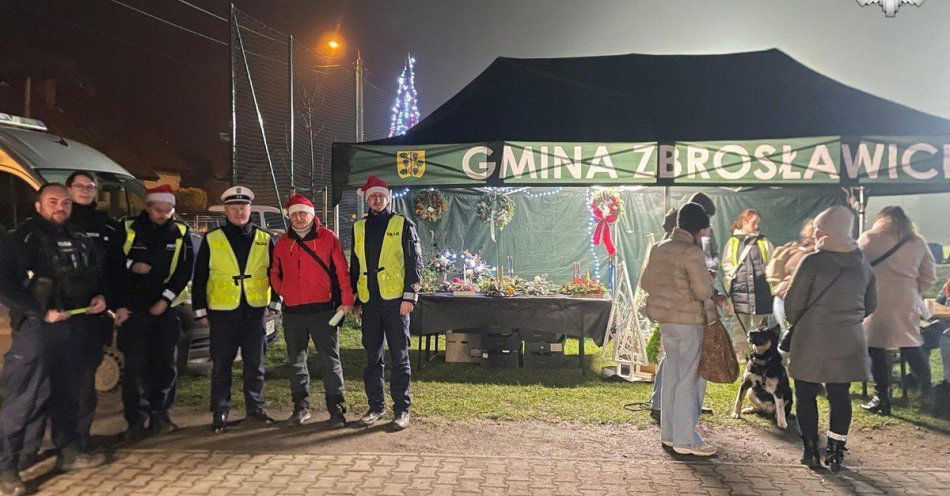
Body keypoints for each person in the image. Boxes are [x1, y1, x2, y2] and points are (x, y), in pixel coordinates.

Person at [0, 184, 108, 494]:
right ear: (38, 206)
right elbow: (6, 283)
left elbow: (92, 277)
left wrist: (99, 297)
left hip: (73, 329)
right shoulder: (23, 238)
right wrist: (39, 310)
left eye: (64, 202)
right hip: (37, 331)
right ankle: (7, 468)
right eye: (52, 201)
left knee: (67, 396)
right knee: (23, 400)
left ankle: (69, 453)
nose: (59, 206)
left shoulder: (78, 237)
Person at [784, 206, 876, 472]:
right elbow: (871, 303)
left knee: (805, 393)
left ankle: (811, 450)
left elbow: (793, 305)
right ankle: (836, 452)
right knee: (839, 394)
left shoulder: (812, 261)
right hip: (848, 338)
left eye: (818, 229)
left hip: (811, 336)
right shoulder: (863, 263)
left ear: (825, 231)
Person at [192, 186, 280, 433]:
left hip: (254, 311)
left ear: (250, 209)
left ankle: (256, 407)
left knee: (255, 362)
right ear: (226, 211)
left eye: (243, 208)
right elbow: (200, 277)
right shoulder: (212, 239)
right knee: (221, 364)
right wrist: (200, 310)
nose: (239, 212)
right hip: (223, 312)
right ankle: (220, 410)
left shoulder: (265, 238)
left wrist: (275, 303)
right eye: (234, 208)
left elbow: (275, 272)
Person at [640, 202, 719, 457]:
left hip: (666, 322)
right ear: (699, 227)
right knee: (690, 380)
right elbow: (704, 291)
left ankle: (670, 435)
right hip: (689, 322)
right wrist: (707, 280)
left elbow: (646, 282)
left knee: (672, 376)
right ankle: (687, 440)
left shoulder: (659, 248)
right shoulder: (692, 252)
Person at [270, 194, 354, 428]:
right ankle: (300, 407)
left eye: (303, 213)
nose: (298, 218)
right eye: (294, 214)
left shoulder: (328, 238)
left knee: (330, 360)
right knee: (296, 361)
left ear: (312, 214)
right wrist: (282, 290)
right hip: (293, 311)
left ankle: (336, 409)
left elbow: (341, 271)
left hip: (323, 310)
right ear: (289, 216)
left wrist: (346, 299)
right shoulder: (283, 242)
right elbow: (274, 272)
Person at [117, 185, 194, 440]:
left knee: (166, 365)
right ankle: (136, 421)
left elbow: (184, 270)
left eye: (168, 210)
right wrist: (130, 264)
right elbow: (111, 263)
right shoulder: (127, 229)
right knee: (135, 368)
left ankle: (162, 415)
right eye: (158, 210)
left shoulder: (181, 232)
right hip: (133, 308)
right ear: (148, 207)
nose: (163, 215)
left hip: (166, 308)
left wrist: (165, 300)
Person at [349, 176, 423, 431]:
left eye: (381, 196)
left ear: (387, 198)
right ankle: (375, 407)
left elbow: (415, 262)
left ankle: (402, 410)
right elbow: (355, 265)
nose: (377, 200)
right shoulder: (358, 227)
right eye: (372, 197)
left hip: (395, 303)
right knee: (372, 357)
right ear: (367, 199)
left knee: (400, 357)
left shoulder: (403, 224)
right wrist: (355, 298)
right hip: (369, 302)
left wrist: (409, 296)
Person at [859, 206, 936, 415]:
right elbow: (929, 274)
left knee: (876, 348)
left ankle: (881, 397)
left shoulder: (868, 238)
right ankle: (928, 392)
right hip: (906, 301)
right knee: (911, 345)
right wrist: (913, 290)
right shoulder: (917, 241)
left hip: (876, 299)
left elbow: (857, 268)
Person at [722, 209, 774, 333]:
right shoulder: (733, 242)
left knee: (762, 335)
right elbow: (727, 263)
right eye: (753, 222)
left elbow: (772, 262)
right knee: (739, 333)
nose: (756, 226)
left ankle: (759, 353)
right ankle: (741, 353)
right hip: (740, 294)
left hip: (761, 293)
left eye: (758, 223)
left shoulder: (764, 241)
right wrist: (734, 276)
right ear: (744, 222)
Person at [766, 219, 816, 338]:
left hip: (786, 297)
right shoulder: (798, 251)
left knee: (790, 336)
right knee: (790, 337)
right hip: (788, 298)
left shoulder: (795, 250)